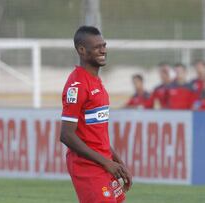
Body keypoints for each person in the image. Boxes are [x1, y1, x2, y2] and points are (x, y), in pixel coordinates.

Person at [60, 26, 131, 203]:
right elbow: (66, 135)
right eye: (98, 46)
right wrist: (107, 163)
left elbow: (98, 135)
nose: (103, 50)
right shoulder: (76, 86)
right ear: (82, 50)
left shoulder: (96, 82)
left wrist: (118, 162)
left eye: (104, 45)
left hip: (103, 164)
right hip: (87, 166)